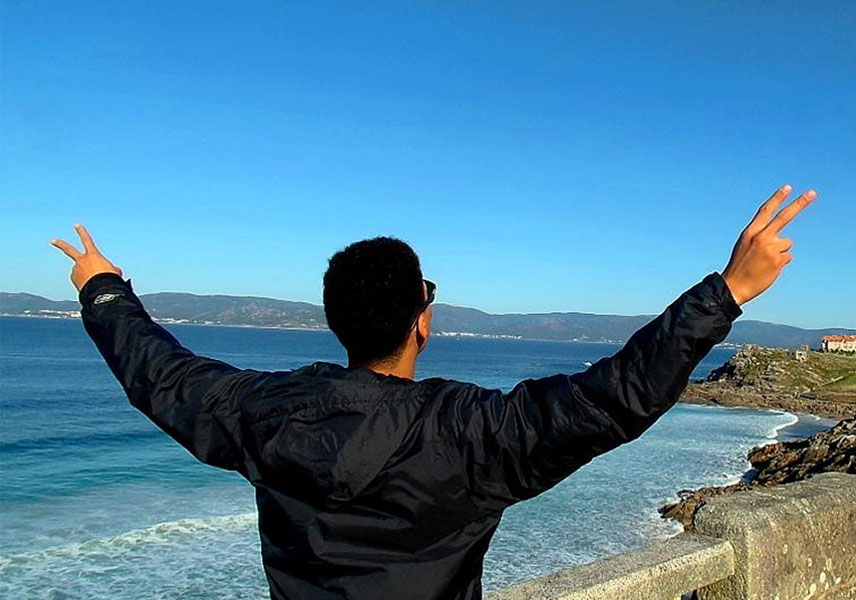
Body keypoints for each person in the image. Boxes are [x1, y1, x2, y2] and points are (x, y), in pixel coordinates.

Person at [51, 185, 815, 600]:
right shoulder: (471, 433)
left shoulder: (261, 412)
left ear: (335, 322)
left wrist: (105, 291)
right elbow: (612, 397)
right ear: (425, 321)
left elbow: (160, 375)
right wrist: (729, 290)